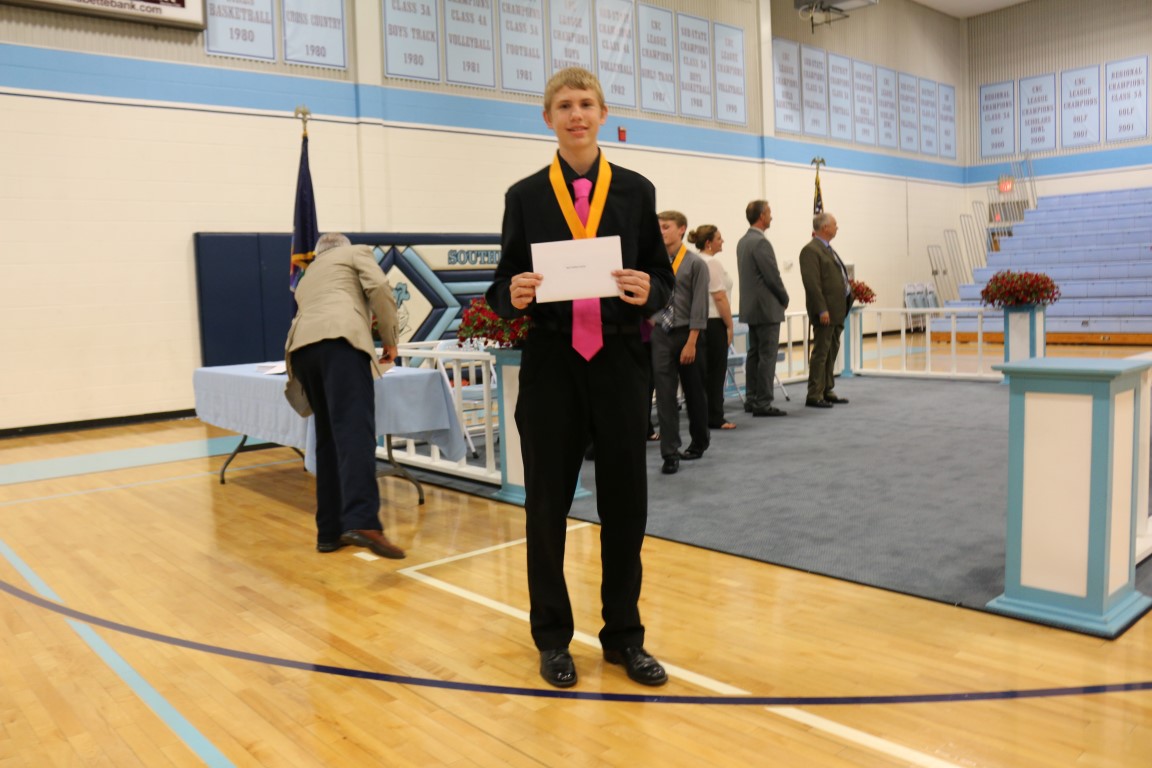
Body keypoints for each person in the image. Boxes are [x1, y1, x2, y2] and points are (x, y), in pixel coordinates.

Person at [486, 67, 674, 689]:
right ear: (548, 118)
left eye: (586, 103)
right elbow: (502, 283)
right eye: (564, 105)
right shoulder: (525, 197)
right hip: (552, 364)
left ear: (602, 113)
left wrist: (651, 290)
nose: (576, 114)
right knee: (546, 505)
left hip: (619, 362)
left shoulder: (637, 191)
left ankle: (624, 638)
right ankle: (552, 638)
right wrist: (511, 295)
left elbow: (661, 276)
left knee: (626, 505)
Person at [284, 233, 406, 559]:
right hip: (340, 342)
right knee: (355, 433)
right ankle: (363, 521)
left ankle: (329, 531)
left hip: (302, 352)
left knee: (327, 440)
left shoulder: (307, 275)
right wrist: (390, 340)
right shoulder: (355, 252)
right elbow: (380, 288)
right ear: (344, 247)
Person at [652, 210, 711, 475]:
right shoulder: (654, 263)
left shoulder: (696, 264)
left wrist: (692, 340)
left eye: (666, 227)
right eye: (659, 227)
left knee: (694, 391)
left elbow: (700, 304)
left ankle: (699, 441)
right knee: (665, 395)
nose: (661, 231)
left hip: (688, 332)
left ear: (682, 229)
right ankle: (670, 452)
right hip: (661, 333)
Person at [735, 200, 790, 417]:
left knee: (754, 355)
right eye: (769, 212)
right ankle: (763, 402)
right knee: (767, 356)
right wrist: (784, 297)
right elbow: (772, 276)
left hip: (751, 308)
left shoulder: (742, 241)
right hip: (766, 309)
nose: (771, 216)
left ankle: (751, 398)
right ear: (761, 216)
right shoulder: (761, 243)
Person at [799, 212, 852, 408]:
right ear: (825, 228)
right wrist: (822, 310)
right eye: (835, 224)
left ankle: (827, 389)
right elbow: (812, 284)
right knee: (821, 353)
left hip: (837, 310)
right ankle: (814, 393)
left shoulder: (828, 249)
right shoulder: (810, 250)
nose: (837, 227)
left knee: (831, 352)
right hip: (826, 312)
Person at [688, 224, 736, 430]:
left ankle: (703, 415)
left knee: (703, 373)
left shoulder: (693, 260)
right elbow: (719, 297)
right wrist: (730, 325)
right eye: (718, 238)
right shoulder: (712, 263)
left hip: (698, 321)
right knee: (716, 372)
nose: (722, 241)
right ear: (708, 243)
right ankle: (715, 416)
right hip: (714, 322)